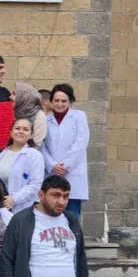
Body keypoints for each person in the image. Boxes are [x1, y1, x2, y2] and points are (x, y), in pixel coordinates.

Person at [42, 84, 90, 217]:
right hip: (52, 172)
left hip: (72, 173)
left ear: (70, 102)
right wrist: (52, 165)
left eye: (64, 101)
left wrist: (65, 166)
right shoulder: (45, 120)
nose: (59, 104)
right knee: (50, 215)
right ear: (51, 101)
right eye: (56, 100)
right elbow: (42, 146)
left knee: (71, 216)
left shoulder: (79, 117)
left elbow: (80, 143)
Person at [0, 118, 45, 214]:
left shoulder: (34, 155)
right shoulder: (2, 154)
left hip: (21, 208)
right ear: (11, 132)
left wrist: (14, 199)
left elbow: (35, 184)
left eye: (25, 129)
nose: (21, 132)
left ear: (31, 135)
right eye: (17, 128)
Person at [13, 83, 47, 149]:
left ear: (24, 97)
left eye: (14, 94)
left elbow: (37, 142)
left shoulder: (39, 115)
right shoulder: (13, 113)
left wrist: (21, 153)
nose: (10, 97)